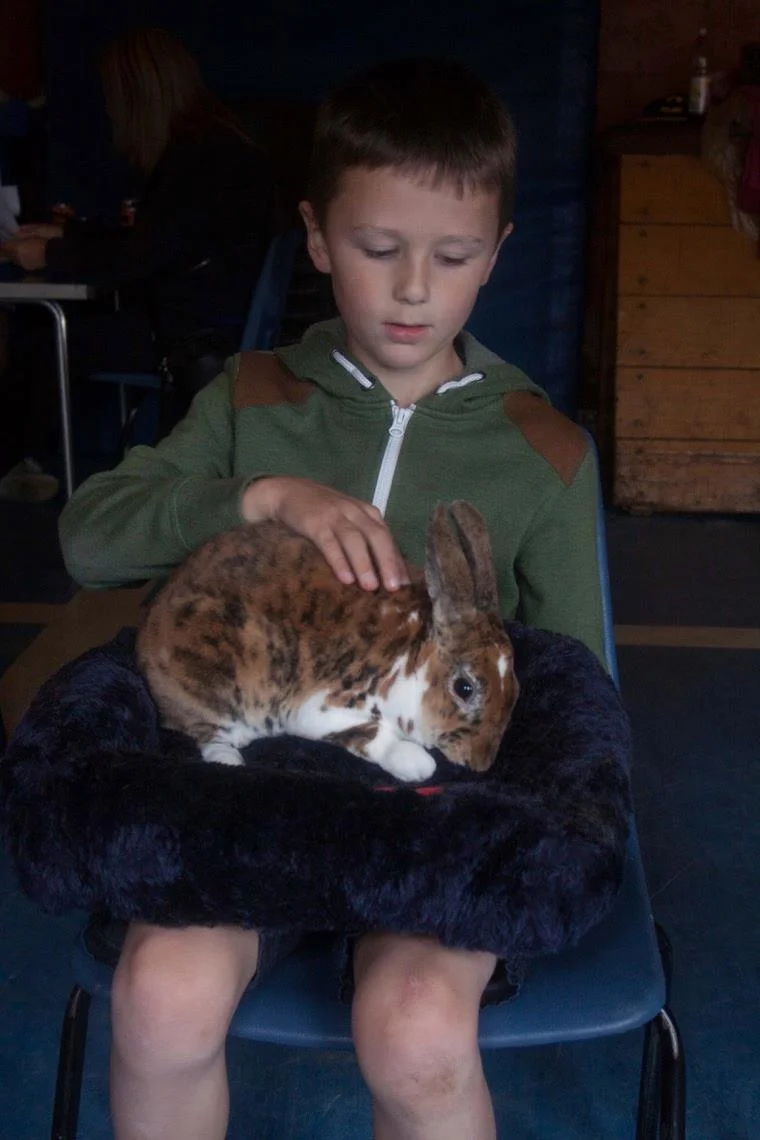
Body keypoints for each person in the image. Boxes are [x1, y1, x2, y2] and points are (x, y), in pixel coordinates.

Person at [58, 57, 605, 1140]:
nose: (413, 289)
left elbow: (577, 692)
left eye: (452, 256)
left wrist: (527, 838)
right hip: (248, 801)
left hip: (425, 824)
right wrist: (257, 495)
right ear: (315, 238)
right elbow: (88, 536)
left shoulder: (543, 452)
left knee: (415, 1032)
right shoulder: (251, 397)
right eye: (377, 248)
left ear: (497, 255)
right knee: (160, 998)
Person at [0, 27, 274, 486]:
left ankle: (14, 461)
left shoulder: (194, 158)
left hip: (189, 338)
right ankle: (24, 462)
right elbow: (158, 239)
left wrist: (52, 250)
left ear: (132, 97)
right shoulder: (219, 143)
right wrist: (70, 234)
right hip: (218, 326)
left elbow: (141, 255)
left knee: (49, 342)